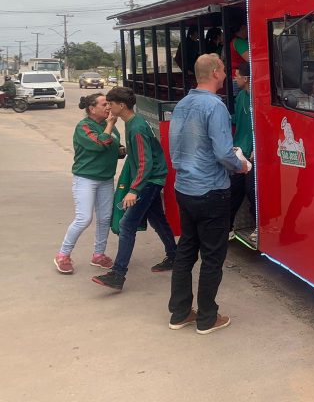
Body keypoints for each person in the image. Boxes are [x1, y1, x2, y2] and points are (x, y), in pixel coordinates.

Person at [167, 54, 248, 334]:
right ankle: (207, 318)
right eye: (224, 70)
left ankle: (179, 313)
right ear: (215, 72)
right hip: (211, 191)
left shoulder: (182, 104)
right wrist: (242, 165)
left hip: (184, 188)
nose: (227, 74)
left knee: (186, 250)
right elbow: (224, 153)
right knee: (213, 257)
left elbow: (176, 146)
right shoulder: (215, 106)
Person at [92, 86, 177, 291]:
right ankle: (175, 256)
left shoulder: (136, 127)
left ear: (122, 105)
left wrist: (134, 189)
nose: (108, 107)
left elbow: (144, 162)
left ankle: (118, 274)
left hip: (150, 181)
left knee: (127, 224)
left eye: (110, 104)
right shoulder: (131, 122)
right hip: (151, 179)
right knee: (157, 219)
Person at [54, 94, 123, 274]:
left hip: (106, 178)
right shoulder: (84, 126)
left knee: (105, 218)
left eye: (109, 103)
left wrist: (124, 149)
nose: (108, 107)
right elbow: (100, 144)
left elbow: (115, 148)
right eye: (104, 104)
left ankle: (98, 255)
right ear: (92, 109)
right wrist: (110, 124)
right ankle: (63, 254)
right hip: (86, 178)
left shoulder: (110, 127)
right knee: (84, 218)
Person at [229, 62, 256, 242]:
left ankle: (258, 226)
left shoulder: (258, 98)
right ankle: (227, 227)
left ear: (246, 79)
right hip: (239, 151)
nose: (234, 78)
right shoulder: (240, 98)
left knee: (252, 190)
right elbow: (235, 121)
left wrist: (257, 147)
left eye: (237, 76)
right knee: (233, 190)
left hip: (253, 153)